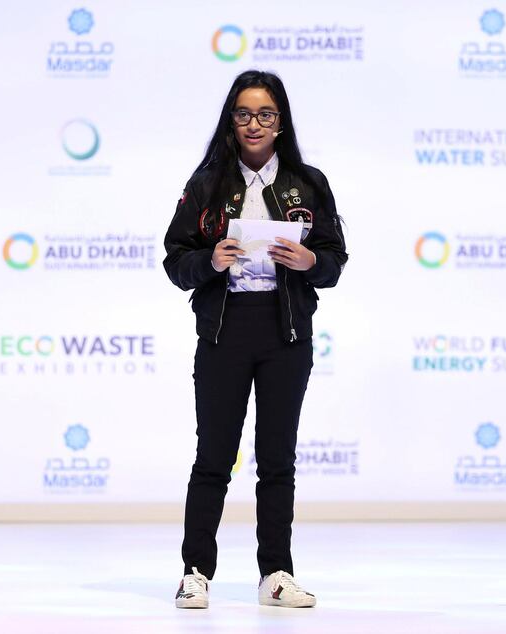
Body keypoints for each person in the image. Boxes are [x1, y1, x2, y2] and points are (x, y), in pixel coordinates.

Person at [163, 69, 348, 609]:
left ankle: (276, 574)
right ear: (230, 120)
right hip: (225, 329)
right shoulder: (205, 185)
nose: (254, 124)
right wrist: (210, 260)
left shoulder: (308, 182)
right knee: (214, 457)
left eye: (265, 114)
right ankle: (196, 571)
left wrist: (311, 260)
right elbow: (176, 262)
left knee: (277, 457)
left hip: (286, 329)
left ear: (281, 122)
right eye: (243, 113)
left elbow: (335, 261)